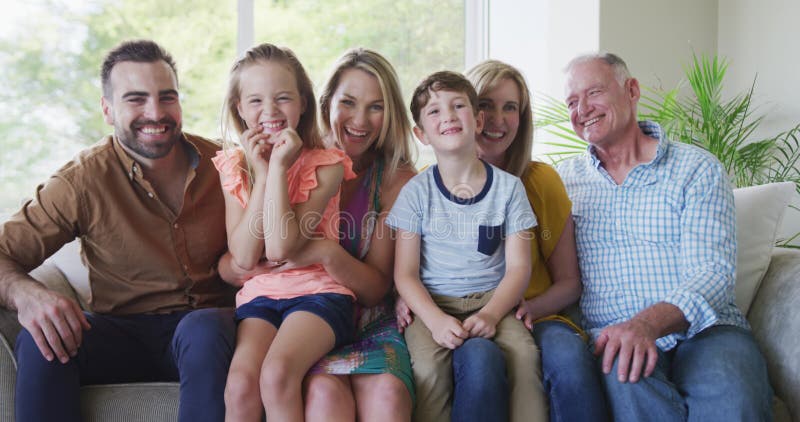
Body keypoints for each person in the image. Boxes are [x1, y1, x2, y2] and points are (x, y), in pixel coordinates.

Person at [0, 39, 236, 422]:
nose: (155, 112)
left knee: (203, 327)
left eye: (167, 97)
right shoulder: (81, 180)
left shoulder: (227, 165)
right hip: (124, 331)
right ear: (107, 109)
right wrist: (27, 295)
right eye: (136, 99)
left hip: (210, 334)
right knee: (41, 340)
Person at [557, 52, 772, 421]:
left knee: (732, 400)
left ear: (632, 90)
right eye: (572, 102)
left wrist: (645, 325)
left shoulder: (696, 168)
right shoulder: (563, 182)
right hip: (613, 337)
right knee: (624, 378)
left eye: (594, 92)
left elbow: (713, 272)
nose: (583, 109)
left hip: (707, 331)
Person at [219, 47, 418, 422]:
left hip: (346, 309)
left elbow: (375, 288)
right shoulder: (267, 158)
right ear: (325, 103)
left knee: (385, 397)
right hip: (282, 308)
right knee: (276, 387)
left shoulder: (389, 179)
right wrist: (240, 265)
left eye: (376, 107)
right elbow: (238, 261)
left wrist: (325, 252)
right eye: (348, 102)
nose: (360, 119)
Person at [387, 70, 546, 422]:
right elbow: (406, 274)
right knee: (428, 368)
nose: (447, 116)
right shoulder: (415, 192)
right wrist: (435, 320)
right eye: (434, 112)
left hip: (493, 299)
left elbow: (519, 268)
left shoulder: (508, 190)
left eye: (458, 105)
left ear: (477, 119)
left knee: (523, 355)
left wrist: (491, 314)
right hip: (433, 302)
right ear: (421, 134)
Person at [213, 42, 357, 421]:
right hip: (261, 298)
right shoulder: (233, 166)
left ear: (303, 103)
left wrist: (278, 168)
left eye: (283, 98)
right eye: (256, 101)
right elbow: (244, 257)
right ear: (239, 109)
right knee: (241, 383)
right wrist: (260, 172)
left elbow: (280, 247)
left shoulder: (327, 165)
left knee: (277, 374)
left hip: (320, 296)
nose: (270, 112)